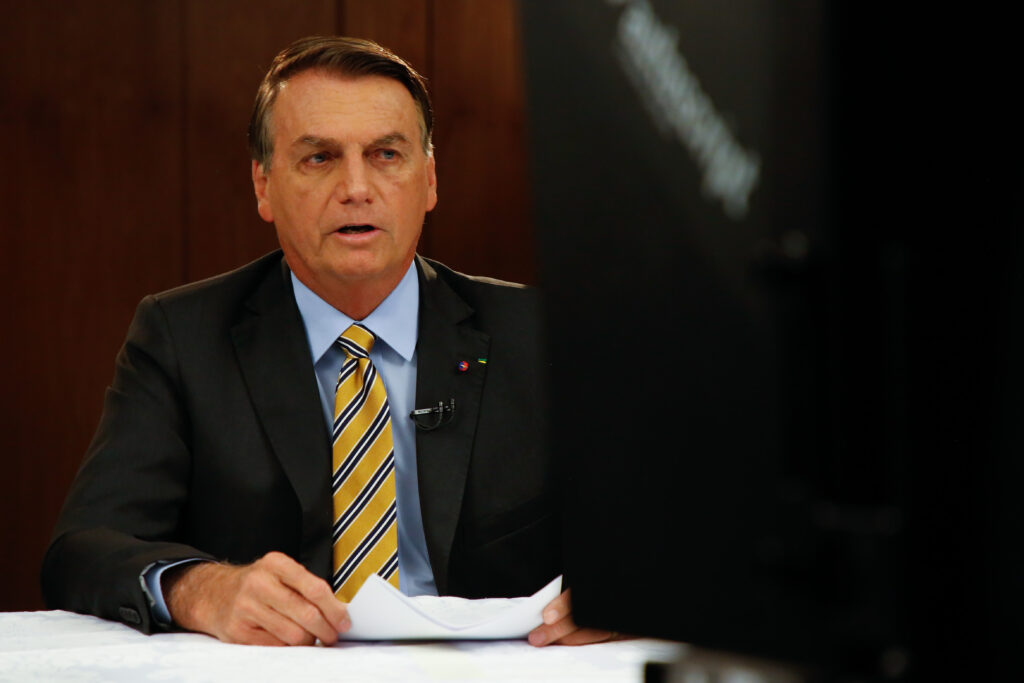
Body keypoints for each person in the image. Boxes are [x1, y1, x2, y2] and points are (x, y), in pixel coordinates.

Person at [41, 36, 611, 648]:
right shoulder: (182, 338)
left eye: (386, 154)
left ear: (429, 180)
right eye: (319, 158)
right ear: (263, 185)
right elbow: (83, 548)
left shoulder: (543, 336)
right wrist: (200, 589)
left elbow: (667, 523)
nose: (356, 187)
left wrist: (628, 586)